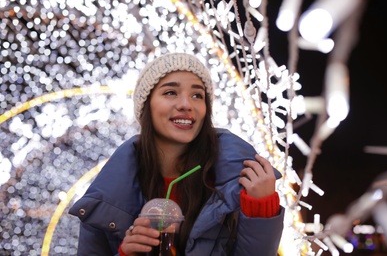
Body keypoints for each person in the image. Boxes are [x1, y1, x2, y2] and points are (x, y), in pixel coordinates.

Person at [69, 52, 284, 255]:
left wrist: (260, 209)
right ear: (146, 106)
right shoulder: (107, 193)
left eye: (197, 95)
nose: (186, 104)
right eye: (170, 92)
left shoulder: (239, 182)